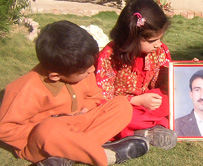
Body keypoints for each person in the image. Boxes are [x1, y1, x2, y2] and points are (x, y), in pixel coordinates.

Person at [0, 20, 149, 166]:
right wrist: (41, 129)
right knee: (48, 130)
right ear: (55, 76)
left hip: (78, 124)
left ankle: (70, 154)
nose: (91, 71)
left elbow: (95, 96)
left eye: (91, 66)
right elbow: (6, 129)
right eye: (84, 71)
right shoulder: (25, 89)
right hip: (47, 138)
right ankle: (106, 155)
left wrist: (86, 109)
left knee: (122, 105)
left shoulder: (84, 70)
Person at [96, 0, 177, 150]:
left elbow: (166, 84)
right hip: (125, 106)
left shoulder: (160, 51)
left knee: (169, 102)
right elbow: (103, 96)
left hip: (150, 105)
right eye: (153, 41)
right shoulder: (110, 55)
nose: (158, 44)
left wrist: (186, 70)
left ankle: (140, 132)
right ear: (133, 38)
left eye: (160, 39)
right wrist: (136, 101)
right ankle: (149, 130)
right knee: (113, 114)